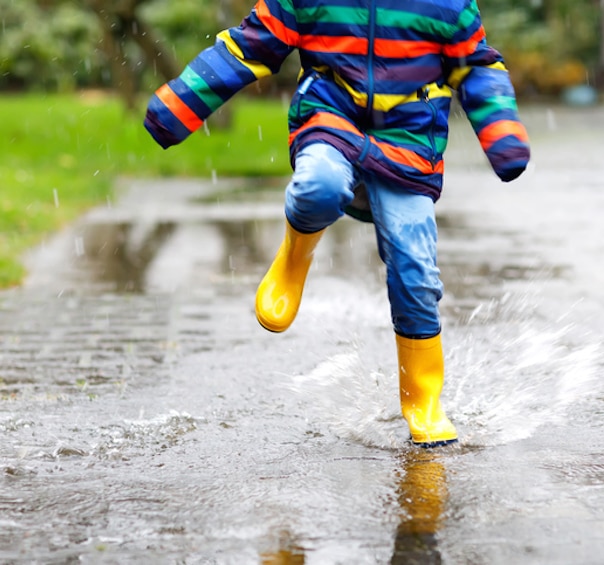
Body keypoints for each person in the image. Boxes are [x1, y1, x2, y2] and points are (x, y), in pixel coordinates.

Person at [144, 0, 531, 448]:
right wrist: (182, 102)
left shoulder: (448, 5)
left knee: (416, 270)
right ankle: (295, 256)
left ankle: (422, 399)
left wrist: (500, 129)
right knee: (318, 185)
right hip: (330, 121)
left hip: (408, 143)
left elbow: (477, 66)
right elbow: (248, 46)